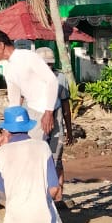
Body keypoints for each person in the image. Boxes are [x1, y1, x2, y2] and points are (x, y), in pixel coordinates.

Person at [0, 31, 60, 145]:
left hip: (49, 109)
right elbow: (14, 103)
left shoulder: (28, 57)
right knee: (35, 152)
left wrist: (48, 113)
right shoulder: (9, 70)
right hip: (33, 110)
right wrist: (6, 132)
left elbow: (52, 81)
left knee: (48, 154)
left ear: (0, 46)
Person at [35, 47, 74, 184]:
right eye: (45, 64)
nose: (48, 67)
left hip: (56, 123)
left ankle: (58, 196)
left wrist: (69, 130)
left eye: (50, 64)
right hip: (36, 124)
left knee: (56, 159)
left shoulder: (60, 78)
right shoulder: (29, 79)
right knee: (36, 159)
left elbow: (66, 108)